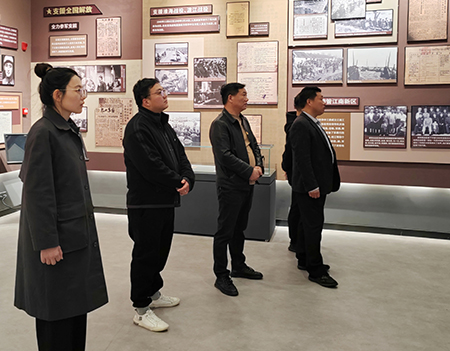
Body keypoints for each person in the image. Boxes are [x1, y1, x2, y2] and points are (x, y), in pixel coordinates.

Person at [15, 63, 108, 350]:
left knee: (74, 310)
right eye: (78, 90)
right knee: (55, 315)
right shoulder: (43, 133)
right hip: (56, 242)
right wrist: (46, 242)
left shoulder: (66, 129)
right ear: (58, 95)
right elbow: (37, 193)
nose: (83, 96)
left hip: (74, 237)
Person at [123, 78, 195, 332]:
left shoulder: (163, 124)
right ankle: (141, 309)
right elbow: (151, 165)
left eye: (164, 90)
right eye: (159, 92)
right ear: (145, 101)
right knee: (145, 254)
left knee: (160, 251)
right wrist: (177, 181)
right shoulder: (137, 128)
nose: (165, 95)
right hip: (146, 204)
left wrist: (188, 177)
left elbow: (180, 155)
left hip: (165, 201)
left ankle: (153, 292)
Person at [209, 82, 264, 297]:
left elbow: (254, 146)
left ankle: (238, 265)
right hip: (231, 185)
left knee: (239, 228)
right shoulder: (220, 124)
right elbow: (224, 156)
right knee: (225, 231)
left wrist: (259, 166)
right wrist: (249, 170)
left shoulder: (243, 120)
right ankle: (221, 275)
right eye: (243, 94)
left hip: (246, 183)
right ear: (230, 98)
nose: (247, 98)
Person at [289, 86, 340, 288]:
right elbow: (302, 159)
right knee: (313, 226)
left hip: (316, 185)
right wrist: (312, 185)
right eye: (321, 98)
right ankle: (315, 270)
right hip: (310, 187)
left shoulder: (311, 123)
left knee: (306, 224)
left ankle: (304, 258)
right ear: (309, 102)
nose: (324, 102)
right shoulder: (301, 125)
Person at [281, 94, 301, 253]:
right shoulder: (296, 125)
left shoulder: (299, 123)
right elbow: (290, 151)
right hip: (299, 174)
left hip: (297, 173)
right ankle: (295, 241)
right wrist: (288, 168)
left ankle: (297, 240)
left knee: (298, 208)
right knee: (297, 208)